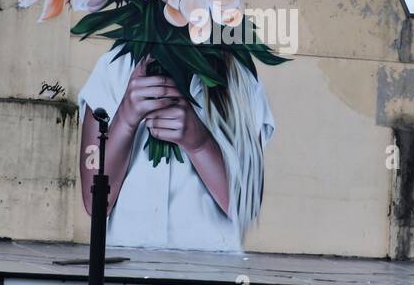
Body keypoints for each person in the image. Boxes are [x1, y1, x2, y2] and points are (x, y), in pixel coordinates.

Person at [78, 48, 274, 252]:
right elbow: (95, 203)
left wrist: (200, 144)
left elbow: (246, 207)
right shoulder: (114, 66)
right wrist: (125, 120)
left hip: (211, 266)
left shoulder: (239, 76)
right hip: (124, 263)